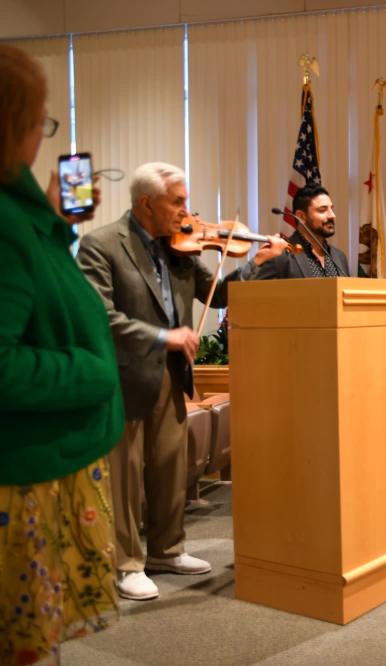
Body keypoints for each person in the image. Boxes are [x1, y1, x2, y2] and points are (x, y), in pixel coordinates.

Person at [76, 162, 287, 601]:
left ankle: (166, 551)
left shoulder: (180, 249)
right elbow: (98, 316)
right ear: (146, 204)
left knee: (170, 467)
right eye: (178, 201)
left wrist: (260, 264)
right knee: (126, 475)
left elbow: (223, 293)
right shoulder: (101, 245)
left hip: (172, 376)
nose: (186, 211)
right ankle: (127, 563)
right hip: (124, 378)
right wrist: (162, 336)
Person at [0, 44, 122, 665]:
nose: (41, 135)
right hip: (18, 481)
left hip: (40, 470)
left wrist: (51, 221)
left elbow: (36, 288)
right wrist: (93, 369)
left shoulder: (21, 219)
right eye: (39, 121)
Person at [249, 183, 349, 280]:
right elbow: (250, 291)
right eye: (322, 210)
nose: (332, 215)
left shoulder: (339, 257)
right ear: (301, 216)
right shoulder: (281, 255)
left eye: (331, 209)